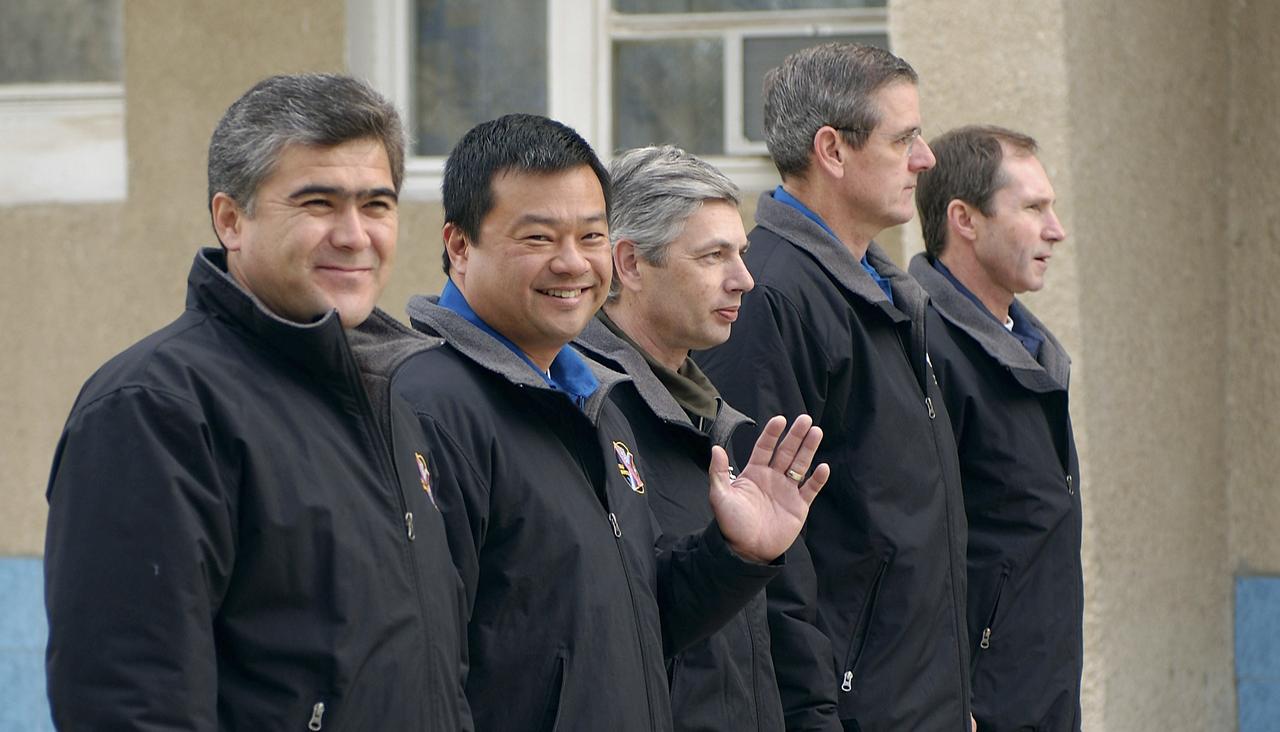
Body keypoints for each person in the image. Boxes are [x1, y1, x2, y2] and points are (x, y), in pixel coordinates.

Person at [43, 73, 470, 730]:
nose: (355, 235)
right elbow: (131, 700)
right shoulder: (155, 408)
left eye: (377, 205)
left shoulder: (398, 398)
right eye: (318, 203)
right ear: (231, 220)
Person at [382, 113, 829, 731]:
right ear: (459, 246)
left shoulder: (597, 402)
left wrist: (735, 554)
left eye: (590, 236)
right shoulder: (427, 404)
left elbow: (639, 630)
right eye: (539, 238)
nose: (572, 264)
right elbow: (420, 670)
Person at [695, 43, 973, 731]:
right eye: (904, 137)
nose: (925, 158)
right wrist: (816, 716)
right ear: (833, 150)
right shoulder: (772, 295)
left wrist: (953, 696)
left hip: (917, 705)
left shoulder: (886, 293)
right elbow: (771, 542)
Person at [571, 145, 783, 731]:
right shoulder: (586, 411)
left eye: (739, 253)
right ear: (631, 265)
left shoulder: (710, 413)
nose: (744, 279)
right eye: (714, 255)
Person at [909, 125, 1080, 732]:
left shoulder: (1028, 346)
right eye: (1033, 208)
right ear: (965, 219)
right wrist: (952, 701)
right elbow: (912, 545)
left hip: (1039, 698)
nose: (1055, 230)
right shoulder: (920, 346)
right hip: (978, 708)